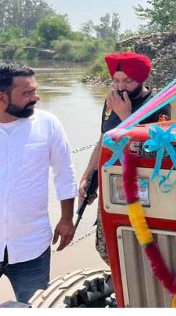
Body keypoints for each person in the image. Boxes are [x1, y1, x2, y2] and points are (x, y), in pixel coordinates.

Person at [79, 52, 171, 264]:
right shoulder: (111, 100)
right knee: (106, 246)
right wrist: (87, 176)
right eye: (116, 80)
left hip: (143, 188)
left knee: (139, 249)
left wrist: (126, 118)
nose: (120, 87)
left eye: (128, 81)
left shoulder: (158, 104)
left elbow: (157, 152)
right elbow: (104, 139)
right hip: (112, 181)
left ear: (142, 79)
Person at [0, 63, 77, 303]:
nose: (36, 97)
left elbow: (65, 172)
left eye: (35, 90)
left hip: (31, 245)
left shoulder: (48, 124)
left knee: (34, 306)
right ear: (2, 97)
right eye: (27, 93)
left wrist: (66, 218)